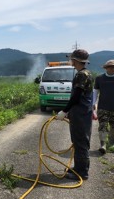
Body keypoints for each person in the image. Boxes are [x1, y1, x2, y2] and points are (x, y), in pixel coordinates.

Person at [56, 49, 93, 180]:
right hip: (84, 112)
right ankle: (78, 168)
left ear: (76, 60)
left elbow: (76, 97)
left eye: (72, 59)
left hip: (80, 113)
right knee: (79, 141)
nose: (71, 61)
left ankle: (82, 173)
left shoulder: (81, 75)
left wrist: (64, 111)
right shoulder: (87, 73)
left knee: (80, 142)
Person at [93, 59, 114, 154]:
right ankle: (103, 145)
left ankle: (111, 143)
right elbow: (95, 92)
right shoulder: (99, 78)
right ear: (106, 68)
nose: (112, 69)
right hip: (103, 107)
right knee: (103, 126)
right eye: (110, 67)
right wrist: (93, 104)